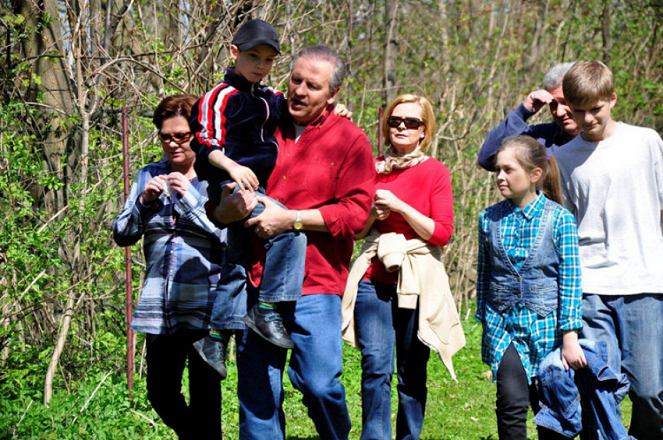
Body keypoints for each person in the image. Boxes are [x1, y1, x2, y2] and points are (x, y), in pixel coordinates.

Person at [213, 45, 375, 440]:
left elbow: (356, 215)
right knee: (257, 397)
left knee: (320, 384)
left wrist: (290, 220)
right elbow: (214, 208)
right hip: (255, 280)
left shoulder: (350, 140)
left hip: (316, 283)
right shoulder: (260, 121)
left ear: (332, 94)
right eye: (295, 80)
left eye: (312, 86)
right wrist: (228, 211)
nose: (299, 91)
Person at [340, 94, 466, 440]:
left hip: (416, 281)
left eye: (411, 122)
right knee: (375, 368)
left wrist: (400, 207)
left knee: (411, 373)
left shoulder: (435, 171)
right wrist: (372, 215)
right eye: (395, 121)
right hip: (373, 278)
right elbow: (355, 231)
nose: (401, 127)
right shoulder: (370, 169)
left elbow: (442, 233)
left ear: (424, 130)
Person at [555, 60, 663, 439]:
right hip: (591, 285)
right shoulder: (562, 158)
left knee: (649, 390)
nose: (587, 118)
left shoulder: (646, 141)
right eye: (578, 110)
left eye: (595, 109)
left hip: (644, 282)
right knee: (601, 387)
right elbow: (565, 229)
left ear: (612, 99)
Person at [113, 95, 224, 439]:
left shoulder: (216, 177)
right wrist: (144, 202)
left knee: (206, 395)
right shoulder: (149, 173)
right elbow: (121, 234)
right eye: (166, 136)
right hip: (158, 305)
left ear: (198, 134)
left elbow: (225, 237)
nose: (173, 144)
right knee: (160, 393)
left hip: (206, 302)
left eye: (182, 135)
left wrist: (189, 200)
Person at [192, 19, 304, 350]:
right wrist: (231, 166)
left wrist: (334, 108)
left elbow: (301, 108)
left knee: (238, 264)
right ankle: (267, 310)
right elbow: (204, 140)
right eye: (253, 56)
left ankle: (214, 338)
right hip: (229, 186)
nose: (261, 65)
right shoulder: (220, 96)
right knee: (290, 230)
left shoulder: (271, 97)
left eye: (268, 60)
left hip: (258, 189)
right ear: (233, 52)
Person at [476, 135, 586, 439]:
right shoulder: (489, 218)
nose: (499, 176)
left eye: (508, 170)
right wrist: (484, 318)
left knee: (551, 412)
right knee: (510, 406)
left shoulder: (559, 219)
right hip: (504, 327)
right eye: (498, 169)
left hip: (548, 329)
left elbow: (571, 280)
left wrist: (569, 335)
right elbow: (484, 272)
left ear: (535, 175)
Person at [478, 62, 580, 171]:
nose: (559, 112)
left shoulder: (599, 140)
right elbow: (488, 159)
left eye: (565, 102)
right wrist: (522, 112)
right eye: (553, 104)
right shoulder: (541, 139)